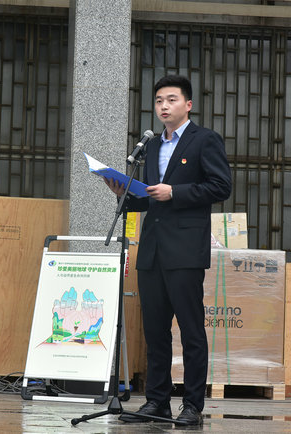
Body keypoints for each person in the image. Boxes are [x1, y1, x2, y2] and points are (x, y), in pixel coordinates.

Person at [105, 75, 232, 426]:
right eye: (159, 100)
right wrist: (124, 194)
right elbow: (149, 200)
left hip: (185, 250)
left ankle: (192, 406)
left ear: (187, 105)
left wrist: (175, 192)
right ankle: (157, 402)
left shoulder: (204, 140)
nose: (164, 106)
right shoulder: (150, 146)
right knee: (155, 331)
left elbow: (221, 186)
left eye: (171, 99)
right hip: (152, 251)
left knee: (191, 331)